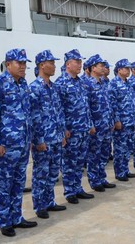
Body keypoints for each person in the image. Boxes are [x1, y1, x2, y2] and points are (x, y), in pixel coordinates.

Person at [0, 48, 38, 237]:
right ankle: (3, 220)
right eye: (20, 63)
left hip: (23, 144)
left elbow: (28, 113)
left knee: (18, 183)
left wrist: (30, 138)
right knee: (4, 185)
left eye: (25, 63)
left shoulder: (23, 83)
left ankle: (16, 217)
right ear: (8, 64)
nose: (24, 66)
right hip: (6, 146)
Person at [29, 50, 67, 220]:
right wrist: (38, 139)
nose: (54, 66)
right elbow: (33, 116)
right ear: (42, 65)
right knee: (41, 173)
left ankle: (49, 201)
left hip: (56, 137)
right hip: (43, 140)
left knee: (52, 172)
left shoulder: (54, 87)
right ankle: (39, 205)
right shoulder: (34, 88)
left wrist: (62, 133)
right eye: (51, 63)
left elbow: (59, 112)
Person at [56, 49, 96, 204]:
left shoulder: (81, 82)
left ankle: (78, 188)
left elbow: (86, 106)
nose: (80, 65)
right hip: (71, 131)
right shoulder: (61, 83)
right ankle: (69, 191)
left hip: (83, 129)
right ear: (68, 64)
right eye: (77, 62)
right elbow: (59, 109)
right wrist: (63, 129)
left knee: (79, 161)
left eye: (80, 62)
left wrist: (90, 124)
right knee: (69, 162)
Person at [84, 54, 116, 192]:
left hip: (106, 125)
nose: (104, 68)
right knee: (94, 155)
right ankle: (94, 180)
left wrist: (112, 121)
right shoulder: (87, 84)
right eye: (101, 65)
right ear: (93, 68)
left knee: (104, 154)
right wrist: (90, 124)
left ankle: (102, 178)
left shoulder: (104, 83)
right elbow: (87, 107)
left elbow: (109, 105)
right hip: (96, 127)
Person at [108, 58, 135, 181]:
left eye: (129, 68)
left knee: (128, 148)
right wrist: (116, 120)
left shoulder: (129, 83)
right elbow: (112, 104)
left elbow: (133, 102)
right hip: (122, 122)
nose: (129, 71)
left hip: (131, 120)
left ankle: (125, 169)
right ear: (119, 70)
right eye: (126, 68)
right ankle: (119, 172)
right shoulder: (114, 84)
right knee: (120, 149)